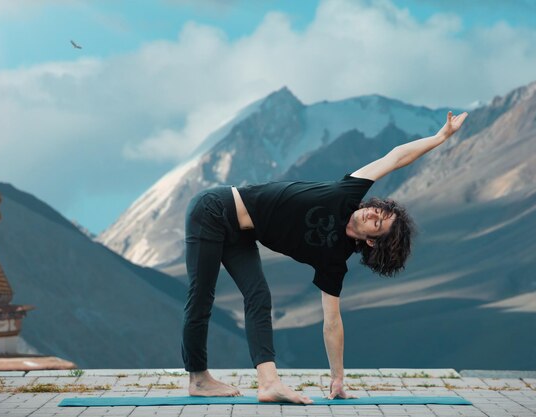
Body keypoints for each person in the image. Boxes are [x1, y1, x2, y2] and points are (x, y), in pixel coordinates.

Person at [182, 111, 468, 404]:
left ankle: (269, 384)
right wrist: (440, 137)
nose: (372, 213)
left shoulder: (334, 260)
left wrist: (338, 379)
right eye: (378, 211)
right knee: (202, 294)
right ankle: (198, 378)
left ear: (371, 241)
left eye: (377, 223)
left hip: (242, 234)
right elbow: (395, 158)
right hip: (213, 210)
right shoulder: (348, 193)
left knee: (259, 297)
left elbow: (332, 322)